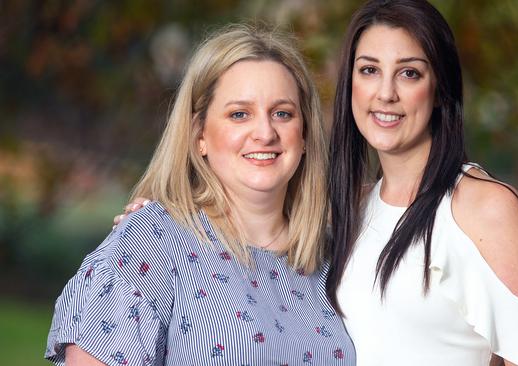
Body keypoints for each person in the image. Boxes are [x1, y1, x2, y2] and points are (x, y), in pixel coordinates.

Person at [45, 25, 355, 365]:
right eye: (240, 114)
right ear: (199, 135)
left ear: (305, 134)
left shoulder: (330, 260)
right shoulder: (154, 242)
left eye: (282, 113)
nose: (265, 133)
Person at [326, 0, 518, 365]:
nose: (385, 93)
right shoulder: (353, 209)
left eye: (409, 73)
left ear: (441, 89)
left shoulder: (485, 209)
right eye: (369, 70)